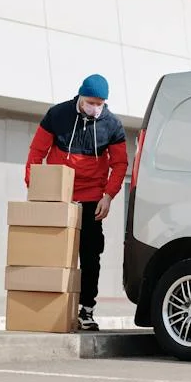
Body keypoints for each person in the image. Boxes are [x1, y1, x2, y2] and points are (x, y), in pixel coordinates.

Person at [25, 74, 128, 331]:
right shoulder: (57, 115)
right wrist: (35, 186)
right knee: (52, 252)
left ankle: (87, 310)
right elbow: (37, 152)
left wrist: (109, 195)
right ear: (80, 98)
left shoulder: (112, 125)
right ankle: (47, 306)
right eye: (91, 102)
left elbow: (119, 164)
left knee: (91, 256)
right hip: (60, 194)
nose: (95, 107)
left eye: (100, 103)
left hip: (93, 197)